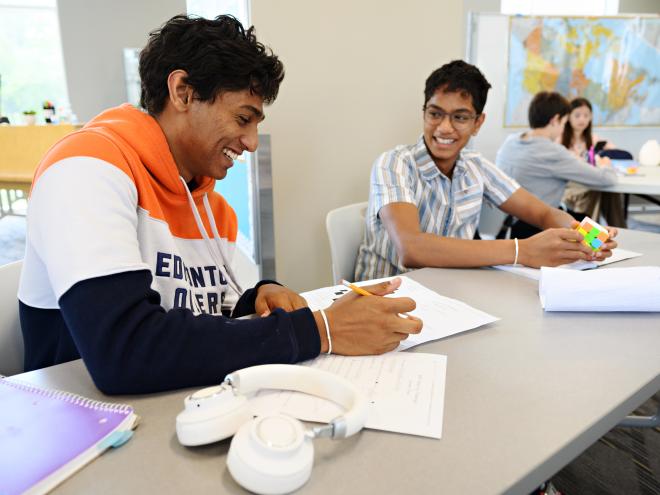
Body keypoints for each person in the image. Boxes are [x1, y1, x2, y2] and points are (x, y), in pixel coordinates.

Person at [17, 15, 422, 394]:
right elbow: (123, 350)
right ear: (183, 92)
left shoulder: (209, 203)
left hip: (172, 404)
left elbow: (206, 313)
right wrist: (320, 331)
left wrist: (258, 296)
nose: (251, 143)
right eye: (243, 119)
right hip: (84, 422)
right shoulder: (86, 169)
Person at [354, 60, 618, 282]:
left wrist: (592, 237)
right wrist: (520, 250)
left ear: (478, 122)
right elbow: (411, 248)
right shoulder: (394, 163)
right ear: (424, 113)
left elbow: (542, 212)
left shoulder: (475, 165)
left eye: (459, 117)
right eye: (435, 114)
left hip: (450, 295)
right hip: (386, 300)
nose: (444, 128)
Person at [495, 91, 618, 239]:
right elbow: (607, 179)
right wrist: (605, 164)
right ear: (555, 120)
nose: (563, 128)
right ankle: (601, 250)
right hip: (536, 228)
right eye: (564, 123)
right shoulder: (552, 152)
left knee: (585, 221)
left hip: (505, 225)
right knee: (599, 236)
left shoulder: (511, 141)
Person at [560, 97, 626, 227]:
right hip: (569, 187)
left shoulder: (593, 139)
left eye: (586, 115)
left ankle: (617, 229)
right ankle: (594, 233)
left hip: (590, 182)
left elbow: (620, 153)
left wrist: (604, 158)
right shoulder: (561, 139)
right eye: (577, 115)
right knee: (601, 189)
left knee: (609, 190)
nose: (582, 119)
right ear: (568, 117)